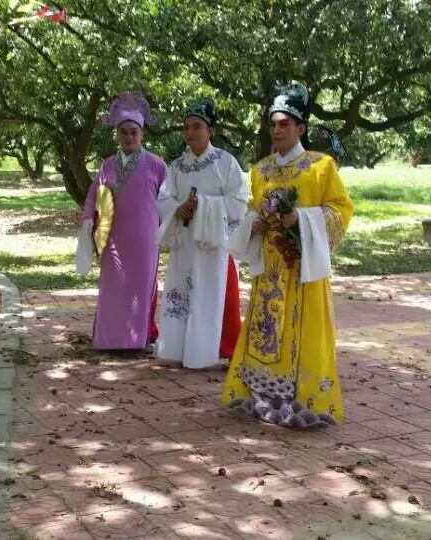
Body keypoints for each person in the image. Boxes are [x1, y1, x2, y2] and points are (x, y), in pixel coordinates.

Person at [221, 83, 354, 428]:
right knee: (266, 330)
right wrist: (254, 222)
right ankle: (262, 398)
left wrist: (301, 219)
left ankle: (301, 402)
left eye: (284, 124)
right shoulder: (260, 170)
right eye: (273, 124)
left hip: (302, 268)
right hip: (269, 269)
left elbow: (341, 210)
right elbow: (253, 208)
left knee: (300, 332)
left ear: (301, 128)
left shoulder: (321, 167)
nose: (277, 130)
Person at [155, 98, 247, 369]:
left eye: (197, 126)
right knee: (182, 294)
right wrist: (178, 208)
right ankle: (178, 349)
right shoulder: (176, 167)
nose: (190, 132)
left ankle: (209, 352)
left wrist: (204, 205)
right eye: (186, 127)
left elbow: (239, 202)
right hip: (184, 244)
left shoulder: (226, 163)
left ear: (210, 131)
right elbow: (163, 199)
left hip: (212, 245)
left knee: (211, 295)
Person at [76, 92, 167, 351]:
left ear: (142, 134)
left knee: (141, 288)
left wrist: (167, 229)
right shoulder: (107, 166)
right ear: (117, 134)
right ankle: (109, 339)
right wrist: (88, 222)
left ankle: (138, 339)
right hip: (113, 239)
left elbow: (169, 200)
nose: (129, 137)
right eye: (124, 132)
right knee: (113, 288)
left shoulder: (157, 165)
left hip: (145, 239)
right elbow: (93, 197)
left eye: (134, 132)